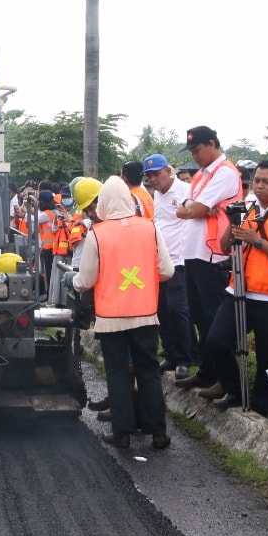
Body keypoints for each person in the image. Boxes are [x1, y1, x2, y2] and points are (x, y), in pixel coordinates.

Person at [71, 176, 175, 449]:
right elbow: (167, 271)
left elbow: (85, 280)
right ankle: (158, 432)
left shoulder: (97, 234)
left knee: (117, 374)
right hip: (146, 315)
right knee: (149, 372)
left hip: (110, 320)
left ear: (103, 202)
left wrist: (72, 280)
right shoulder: (150, 228)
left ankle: (122, 434)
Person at [198, 160, 268, 415]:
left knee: (267, 358)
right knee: (216, 342)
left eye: (266, 182)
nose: (258, 186)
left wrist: (256, 241)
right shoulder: (246, 207)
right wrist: (231, 221)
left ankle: (262, 407)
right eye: (256, 180)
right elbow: (225, 247)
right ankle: (234, 390)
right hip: (238, 291)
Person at [173, 126, 243, 395]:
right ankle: (207, 371)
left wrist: (195, 208)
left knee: (214, 319)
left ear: (212, 144)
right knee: (199, 315)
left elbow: (195, 208)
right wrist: (192, 208)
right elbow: (183, 209)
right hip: (193, 252)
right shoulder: (202, 175)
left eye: (197, 150)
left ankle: (227, 381)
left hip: (212, 254)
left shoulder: (224, 172)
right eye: (191, 151)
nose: (194, 156)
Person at [142, 154, 194, 380]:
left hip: (179, 260)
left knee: (177, 309)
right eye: (149, 175)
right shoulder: (154, 197)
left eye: (157, 174)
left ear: (168, 170)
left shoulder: (185, 190)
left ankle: (185, 358)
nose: (153, 179)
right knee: (161, 309)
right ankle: (171, 354)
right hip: (158, 261)